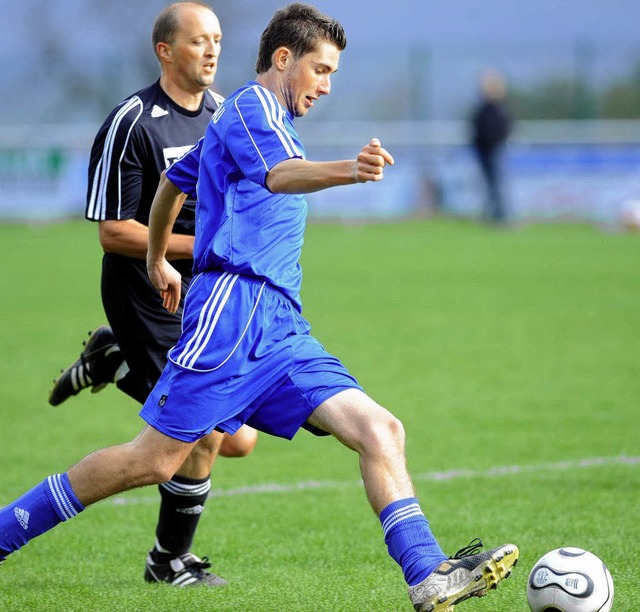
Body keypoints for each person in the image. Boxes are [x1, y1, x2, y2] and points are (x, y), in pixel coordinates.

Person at [0, 4, 519, 609]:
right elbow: (278, 176)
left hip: (282, 328)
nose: (326, 86)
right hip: (230, 314)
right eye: (320, 70)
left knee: (380, 429)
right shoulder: (251, 108)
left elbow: (175, 183)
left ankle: (428, 575)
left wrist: (158, 259)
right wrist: (350, 170)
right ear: (283, 59)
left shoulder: (249, 120)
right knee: (152, 460)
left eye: (332, 74)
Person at [46, 1, 258, 587]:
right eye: (198, 41)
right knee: (206, 430)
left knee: (240, 440)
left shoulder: (223, 115)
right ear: (165, 51)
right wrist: (200, 247)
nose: (212, 50)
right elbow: (113, 233)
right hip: (145, 290)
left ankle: (112, 361)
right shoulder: (133, 121)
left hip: (206, 293)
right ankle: (168, 563)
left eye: (217, 38)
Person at [470, 70, 513, 224]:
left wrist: (493, 143)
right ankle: (492, 214)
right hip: (484, 151)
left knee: (497, 184)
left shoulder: (498, 110)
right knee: (489, 185)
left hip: (494, 150)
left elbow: (503, 130)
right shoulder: (484, 109)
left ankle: (501, 215)